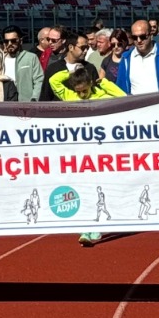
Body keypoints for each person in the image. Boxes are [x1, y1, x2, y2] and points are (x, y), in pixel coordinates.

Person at [47, 62, 124, 245]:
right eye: (78, 91)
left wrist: (103, 83)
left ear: (90, 84)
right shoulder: (70, 96)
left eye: (85, 90)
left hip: (101, 148)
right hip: (79, 151)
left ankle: (96, 228)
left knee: (99, 185)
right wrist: (71, 71)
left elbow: (123, 97)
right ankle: (86, 227)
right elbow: (53, 81)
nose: (82, 95)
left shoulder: (102, 94)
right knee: (84, 186)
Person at [114, 18, 159, 94]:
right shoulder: (126, 58)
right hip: (136, 105)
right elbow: (121, 87)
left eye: (142, 37)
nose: (139, 40)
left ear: (150, 35)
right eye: (135, 38)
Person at [1, 26, 43, 101]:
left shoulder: (31, 58)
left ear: (20, 41)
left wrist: (34, 98)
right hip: (5, 104)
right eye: (6, 41)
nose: (10, 44)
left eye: (13, 41)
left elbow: (39, 80)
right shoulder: (0, 59)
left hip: (26, 104)